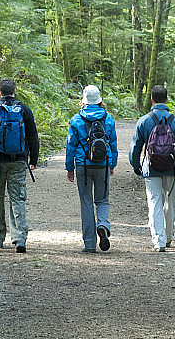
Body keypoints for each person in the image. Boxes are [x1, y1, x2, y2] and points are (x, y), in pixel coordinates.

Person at [0, 78, 39, 253]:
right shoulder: (24, 109)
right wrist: (33, 160)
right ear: (14, 91)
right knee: (17, 198)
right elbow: (33, 137)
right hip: (18, 161)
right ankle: (20, 239)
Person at [128, 85, 175, 252]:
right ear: (167, 99)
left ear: (152, 100)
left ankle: (159, 241)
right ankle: (168, 237)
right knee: (169, 203)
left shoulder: (144, 121)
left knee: (154, 202)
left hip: (151, 168)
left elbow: (135, 147)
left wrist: (136, 166)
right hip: (171, 168)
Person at [65, 85, 119, 253]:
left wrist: (69, 168)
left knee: (86, 202)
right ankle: (102, 224)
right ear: (99, 100)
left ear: (84, 100)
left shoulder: (76, 119)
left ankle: (89, 244)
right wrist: (112, 164)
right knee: (102, 200)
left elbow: (71, 145)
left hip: (83, 165)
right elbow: (113, 143)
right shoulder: (108, 119)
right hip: (102, 165)